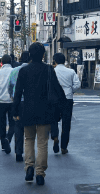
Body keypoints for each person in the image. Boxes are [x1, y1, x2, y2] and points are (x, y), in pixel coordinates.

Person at [12, 43, 64, 185]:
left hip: (27, 110)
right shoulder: (48, 70)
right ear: (43, 55)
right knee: (42, 142)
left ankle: (29, 167)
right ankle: (40, 173)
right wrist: (61, 109)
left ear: (29, 54)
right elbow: (57, 90)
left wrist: (15, 111)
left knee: (28, 139)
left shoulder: (24, 71)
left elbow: (17, 93)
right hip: (45, 111)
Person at [50, 52, 80, 154]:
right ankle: (64, 147)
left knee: (53, 119)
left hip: (54, 99)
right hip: (67, 98)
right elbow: (77, 84)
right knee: (66, 123)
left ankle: (54, 137)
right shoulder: (71, 71)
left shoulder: (52, 71)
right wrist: (71, 90)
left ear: (55, 61)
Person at [7, 51, 29, 161]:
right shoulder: (33, 70)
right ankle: (31, 155)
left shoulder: (14, 71)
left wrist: (12, 97)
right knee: (32, 129)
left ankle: (18, 152)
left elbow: (9, 87)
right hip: (32, 103)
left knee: (18, 127)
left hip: (18, 102)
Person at [0, 54, 15, 154]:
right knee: (13, 122)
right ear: (11, 61)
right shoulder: (14, 72)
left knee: (1, 123)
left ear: (2, 62)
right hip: (12, 101)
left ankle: (3, 144)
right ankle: (8, 138)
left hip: (0, 102)